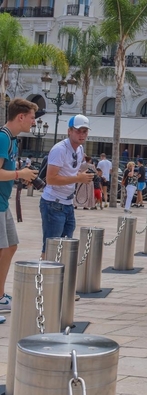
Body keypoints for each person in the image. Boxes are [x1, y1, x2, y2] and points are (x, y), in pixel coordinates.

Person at [0, 98, 39, 315]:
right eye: (32, 118)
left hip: (3, 202)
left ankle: (0, 296)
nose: (34, 122)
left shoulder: (14, 140)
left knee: (11, 246)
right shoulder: (3, 138)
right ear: (21, 117)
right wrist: (19, 174)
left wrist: (22, 177)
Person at [40, 114, 94, 255]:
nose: (82, 135)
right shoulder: (60, 149)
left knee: (65, 247)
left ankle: (58, 275)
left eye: (85, 131)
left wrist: (88, 171)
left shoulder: (79, 149)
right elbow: (51, 179)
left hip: (68, 203)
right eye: (78, 131)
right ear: (69, 131)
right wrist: (78, 178)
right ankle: (44, 275)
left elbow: (73, 167)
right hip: (53, 203)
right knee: (50, 247)